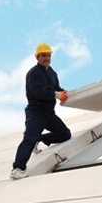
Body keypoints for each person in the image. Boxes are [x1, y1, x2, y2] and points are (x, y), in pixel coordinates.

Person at [10, 43, 71, 179]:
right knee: (29, 139)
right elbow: (38, 92)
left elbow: (56, 87)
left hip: (49, 114)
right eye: (43, 55)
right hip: (36, 113)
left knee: (65, 135)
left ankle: (40, 138)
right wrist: (56, 95)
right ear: (37, 57)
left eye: (48, 55)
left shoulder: (52, 73)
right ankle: (17, 169)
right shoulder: (33, 74)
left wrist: (63, 93)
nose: (46, 58)